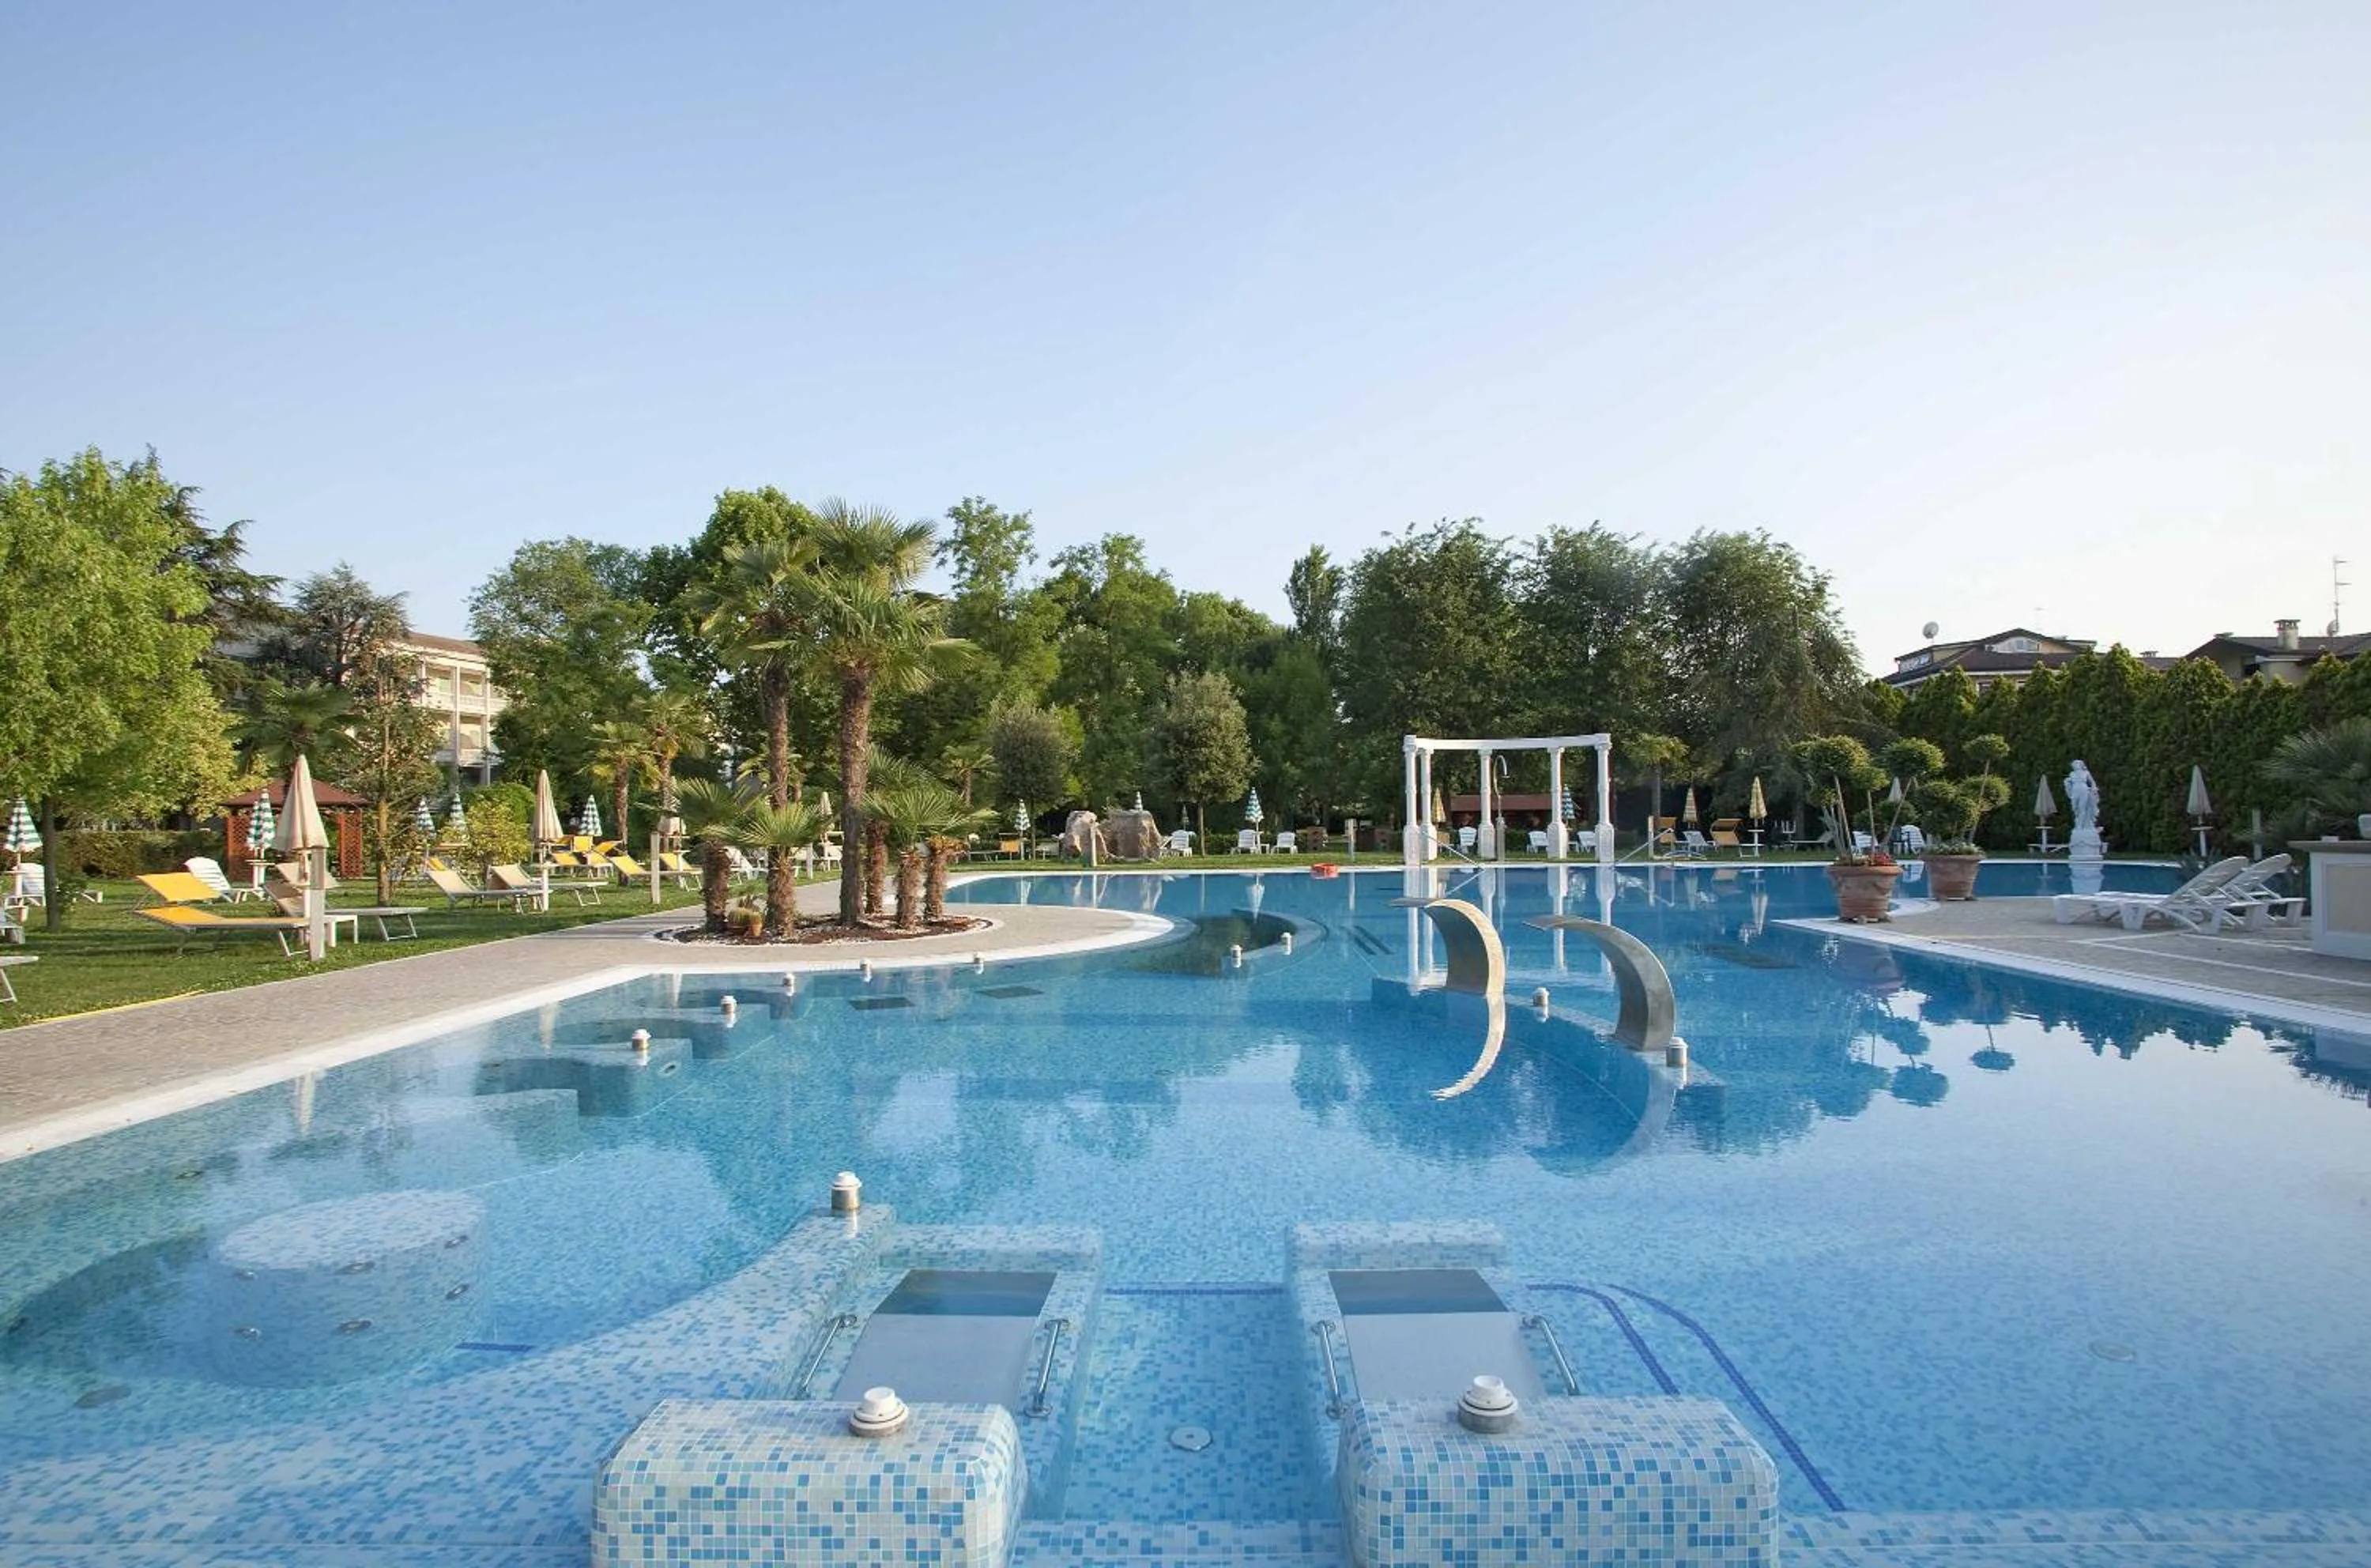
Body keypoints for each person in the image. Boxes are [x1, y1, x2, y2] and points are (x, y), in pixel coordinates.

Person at [2065, 760, 2100, 835]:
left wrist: (2094, 789)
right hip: (2075, 790)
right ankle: (2079, 822)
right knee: (2075, 808)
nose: (2075, 765)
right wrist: (2067, 782)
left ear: (2081, 765)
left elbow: (2093, 782)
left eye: (2077, 764)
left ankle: (2080, 826)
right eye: (2074, 764)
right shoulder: (2072, 774)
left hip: (2083, 789)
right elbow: (2069, 783)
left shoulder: (2086, 773)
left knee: (2082, 807)